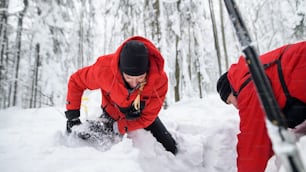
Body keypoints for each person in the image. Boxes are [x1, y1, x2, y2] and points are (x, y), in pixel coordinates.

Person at [65, 36, 178, 155]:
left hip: (140, 117)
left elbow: (148, 116)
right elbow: (76, 81)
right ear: (120, 70)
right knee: (94, 147)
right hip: (110, 113)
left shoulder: (158, 80)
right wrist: (72, 116)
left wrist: (119, 127)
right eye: (128, 78)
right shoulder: (104, 70)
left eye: (140, 78)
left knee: (171, 149)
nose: (134, 84)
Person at [217, 41, 306, 172]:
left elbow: (253, 143)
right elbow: (267, 135)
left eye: (230, 101)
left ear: (231, 90)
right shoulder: (253, 71)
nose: (235, 106)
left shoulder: (247, 84)